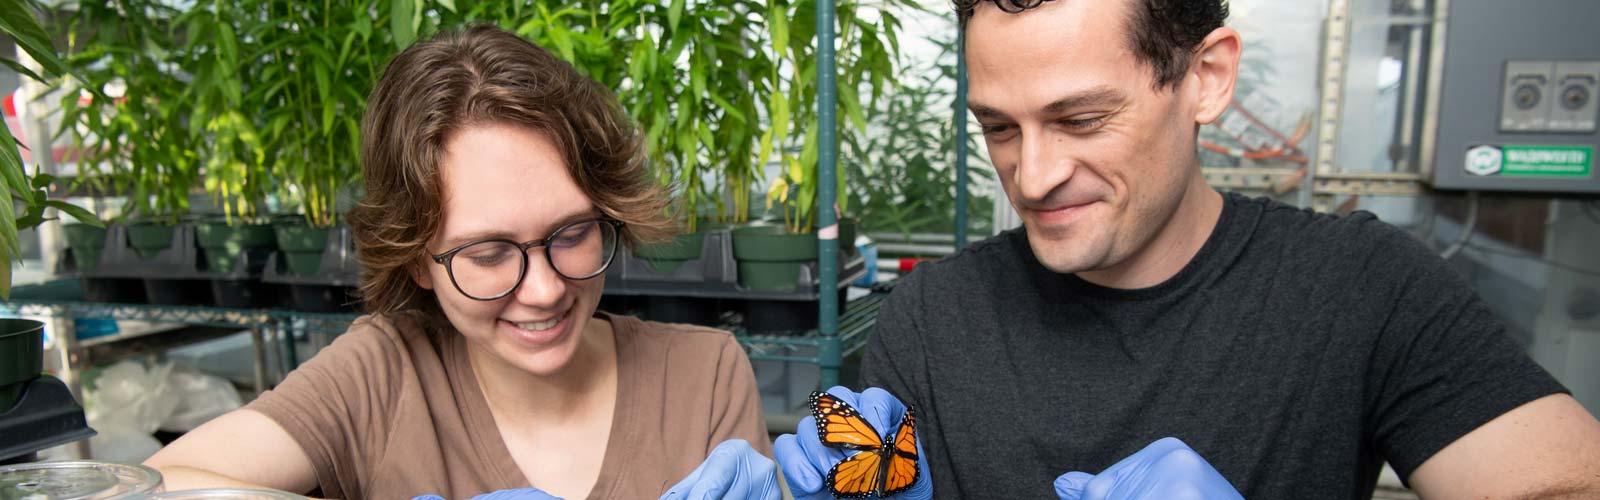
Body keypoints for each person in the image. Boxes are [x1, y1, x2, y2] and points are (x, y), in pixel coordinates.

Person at [776, 0, 1600, 498]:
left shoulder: (1360, 290)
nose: (1032, 175)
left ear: (1206, 76)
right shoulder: (932, 315)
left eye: (1082, 119)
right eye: (998, 128)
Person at [146, 25, 779, 500]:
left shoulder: (703, 374)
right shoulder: (383, 374)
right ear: (417, 258)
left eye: (571, 232)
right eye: (487, 253)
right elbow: (148, 485)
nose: (544, 289)